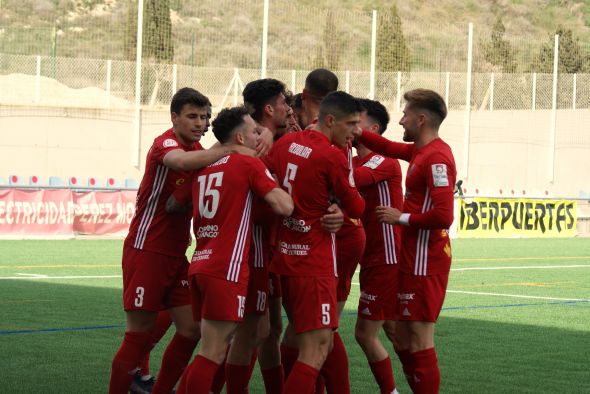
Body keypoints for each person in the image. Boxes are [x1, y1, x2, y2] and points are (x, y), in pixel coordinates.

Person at [109, 88, 247, 394]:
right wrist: (229, 149)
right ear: (174, 118)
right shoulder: (166, 144)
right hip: (147, 250)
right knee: (139, 333)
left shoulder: (198, 148)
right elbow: (181, 162)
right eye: (192, 116)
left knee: (191, 328)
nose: (200, 123)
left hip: (175, 255)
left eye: (205, 117)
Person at [177, 106, 294, 394]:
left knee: (215, 347)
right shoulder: (248, 164)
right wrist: (280, 186)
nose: (260, 137)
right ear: (240, 138)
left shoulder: (205, 167)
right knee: (214, 352)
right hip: (226, 268)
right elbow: (285, 206)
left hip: (202, 263)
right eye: (254, 131)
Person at [353, 89, 456, 394]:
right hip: (413, 254)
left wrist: (401, 218)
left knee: (420, 338)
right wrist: (356, 130)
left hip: (428, 257)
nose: (401, 120)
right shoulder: (421, 152)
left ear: (421, 119)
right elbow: (385, 144)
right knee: (405, 336)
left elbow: (443, 215)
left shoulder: (436, 157)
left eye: (406, 114)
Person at [264, 91, 365, 394]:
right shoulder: (332, 156)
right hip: (314, 262)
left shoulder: (285, 143)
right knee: (317, 349)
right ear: (330, 120)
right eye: (351, 124)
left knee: (306, 339)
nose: (355, 131)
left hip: (286, 255)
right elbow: (358, 207)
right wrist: (341, 206)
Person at [352, 99, 404, 394]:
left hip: (387, 256)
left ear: (372, 129)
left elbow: (351, 179)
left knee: (364, 333)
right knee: (394, 331)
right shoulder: (358, 159)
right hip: (371, 256)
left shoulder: (383, 160)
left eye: (354, 120)